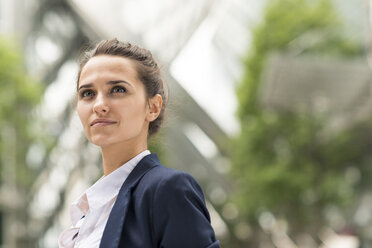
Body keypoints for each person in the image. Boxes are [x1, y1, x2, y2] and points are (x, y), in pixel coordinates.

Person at [58, 38, 220, 248]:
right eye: (87, 93)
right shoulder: (88, 214)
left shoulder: (167, 190)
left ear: (153, 107)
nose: (99, 105)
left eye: (118, 89)